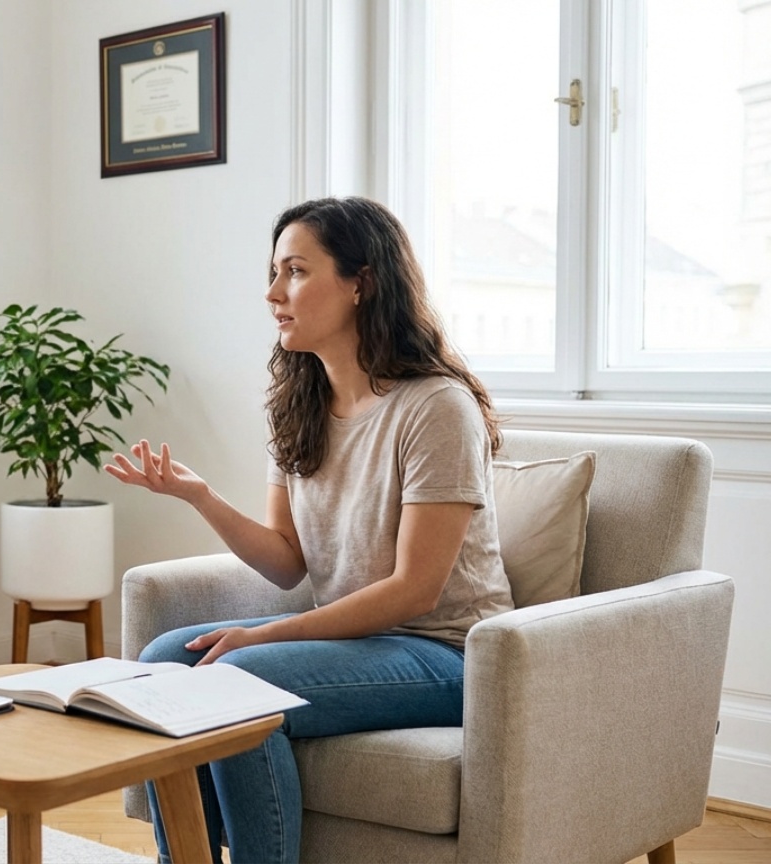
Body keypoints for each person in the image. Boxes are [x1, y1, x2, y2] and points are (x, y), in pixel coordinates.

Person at [105, 196, 513, 864]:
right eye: (274, 272)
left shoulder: (436, 407)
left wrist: (265, 636)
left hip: (447, 653)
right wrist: (199, 496)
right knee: (160, 662)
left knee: (236, 677)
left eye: (295, 271)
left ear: (361, 283)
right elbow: (287, 560)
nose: (273, 293)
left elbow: (415, 589)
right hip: (358, 643)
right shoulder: (301, 404)